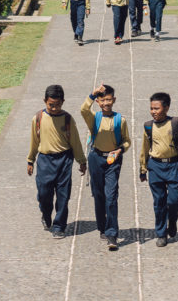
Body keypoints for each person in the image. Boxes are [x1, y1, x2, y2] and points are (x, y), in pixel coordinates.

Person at [139, 92, 178, 247]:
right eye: (151, 108)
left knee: (174, 201)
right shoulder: (148, 126)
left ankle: (172, 219)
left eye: (157, 108)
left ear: (166, 108)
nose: (153, 112)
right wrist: (143, 168)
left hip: (173, 167)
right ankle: (161, 233)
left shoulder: (176, 123)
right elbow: (145, 148)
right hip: (155, 167)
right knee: (159, 202)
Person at [28, 85, 86, 239]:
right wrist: (30, 160)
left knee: (63, 195)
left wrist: (81, 160)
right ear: (45, 101)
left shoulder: (67, 119)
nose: (54, 108)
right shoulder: (38, 118)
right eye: (51, 105)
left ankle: (59, 226)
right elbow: (34, 141)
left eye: (58, 105)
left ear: (63, 102)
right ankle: (46, 215)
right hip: (45, 160)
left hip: (64, 160)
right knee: (44, 194)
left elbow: (75, 141)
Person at [81, 83, 131, 251]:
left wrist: (120, 150)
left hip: (113, 161)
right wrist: (92, 94)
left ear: (114, 100)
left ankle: (112, 234)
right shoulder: (93, 118)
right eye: (102, 100)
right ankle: (102, 227)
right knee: (98, 195)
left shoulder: (120, 120)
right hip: (96, 158)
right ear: (98, 102)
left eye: (109, 100)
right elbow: (83, 110)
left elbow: (127, 141)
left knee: (111, 196)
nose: (106, 103)